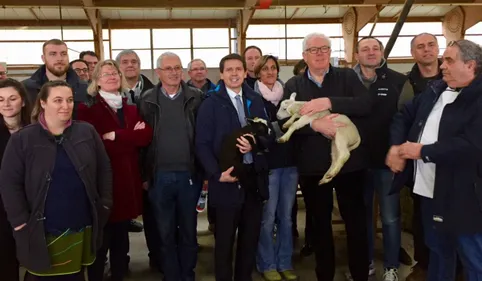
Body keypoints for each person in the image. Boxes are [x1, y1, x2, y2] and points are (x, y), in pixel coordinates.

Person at [387, 39, 482, 281]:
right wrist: (397, 147)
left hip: (466, 196)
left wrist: (423, 151)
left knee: (474, 258)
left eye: (449, 60)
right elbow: (404, 115)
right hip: (430, 191)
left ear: (470, 66)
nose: (442, 66)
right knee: (438, 253)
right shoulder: (436, 90)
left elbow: (472, 144)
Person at [0, 80, 112, 281]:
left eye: (69, 100)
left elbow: (104, 170)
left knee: (76, 274)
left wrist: (104, 205)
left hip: (80, 221)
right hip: (42, 226)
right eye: (58, 100)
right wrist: (19, 222)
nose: (65, 106)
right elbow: (10, 183)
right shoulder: (23, 139)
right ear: (42, 103)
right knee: (43, 275)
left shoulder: (86, 132)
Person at [281, 32, 371, 281]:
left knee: (356, 223)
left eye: (324, 48)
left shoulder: (347, 77)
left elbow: (365, 105)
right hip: (313, 166)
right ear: (304, 56)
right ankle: (325, 275)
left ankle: (361, 274)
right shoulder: (294, 85)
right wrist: (314, 126)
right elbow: (285, 123)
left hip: (349, 164)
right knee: (319, 225)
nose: (320, 53)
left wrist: (328, 101)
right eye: (314, 50)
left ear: (331, 52)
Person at [196, 53, 270, 281]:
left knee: (249, 240)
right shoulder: (210, 103)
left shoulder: (255, 100)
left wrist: (254, 145)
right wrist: (217, 175)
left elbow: (266, 135)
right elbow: (201, 144)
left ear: (245, 72)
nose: (235, 73)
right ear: (221, 74)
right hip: (226, 180)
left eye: (239, 69)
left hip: (252, 179)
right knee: (224, 242)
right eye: (229, 70)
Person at [77, 59, 153, 281]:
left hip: (127, 178)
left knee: (121, 234)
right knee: (102, 236)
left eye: (115, 74)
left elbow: (145, 136)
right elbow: (94, 143)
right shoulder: (87, 109)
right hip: (103, 180)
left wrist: (117, 135)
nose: (112, 77)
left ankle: (120, 273)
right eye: (106, 74)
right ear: (97, 80)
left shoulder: (129, 107)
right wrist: (128, 137)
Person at [138, 52, 204, 281]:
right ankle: (171, 275)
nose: (174, 72)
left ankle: (188, 274)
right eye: (168, 68)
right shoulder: (146, 99)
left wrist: (204, 173)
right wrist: (144, 175)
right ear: (158, 72)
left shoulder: (196, 97)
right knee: (164, 233)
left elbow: (203, 137)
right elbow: (141, 142)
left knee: (188, 232)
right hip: (159, 177)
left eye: (177, 68)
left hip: (189, 176)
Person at [349, 36, 408, 281]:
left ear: (382, 52)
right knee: (361, 218)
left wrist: (398, 151)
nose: (371, 52)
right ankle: (366, 264)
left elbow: (406, 119)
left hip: (387, 162)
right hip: (355, 163)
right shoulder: (346, 81)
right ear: (357, 54)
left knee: (390, 217)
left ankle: (392, 267)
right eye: (365, 49)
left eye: (375, 48)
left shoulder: (398, 81)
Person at [399, 32, 443, 281]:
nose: (426, 50)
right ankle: (423, 264)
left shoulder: (455, 78)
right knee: (421, 215)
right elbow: (400, 118)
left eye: (431, 45)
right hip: (418, 163)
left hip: (451, 161)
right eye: (420, 47)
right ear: (413, 53)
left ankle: (454, 267)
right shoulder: (406, 84)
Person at [253, 55, 298, 281]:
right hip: (269, 165)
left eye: (273, 68)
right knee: (268, 217)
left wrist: (274, 128)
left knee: (287, 217)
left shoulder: (288, 96)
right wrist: (278, 127)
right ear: (257, 72)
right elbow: (260, 134)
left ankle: (285, 262)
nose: (270, 72)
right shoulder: (253, 98)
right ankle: (267, 263)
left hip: (290, 163)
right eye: (265, 69)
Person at [0, 78, 32, 281]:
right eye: (1, 99)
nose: (6, 103)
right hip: (2, 207)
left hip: (31, 204)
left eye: (12, 98)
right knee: (5, 259)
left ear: (22, 101)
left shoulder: (35, 130)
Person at [23, 39, 88, 119]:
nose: (59, 58)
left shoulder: (85, 88)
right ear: (43, 58)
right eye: (53, 54)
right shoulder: (26, 88)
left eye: (63, 54)